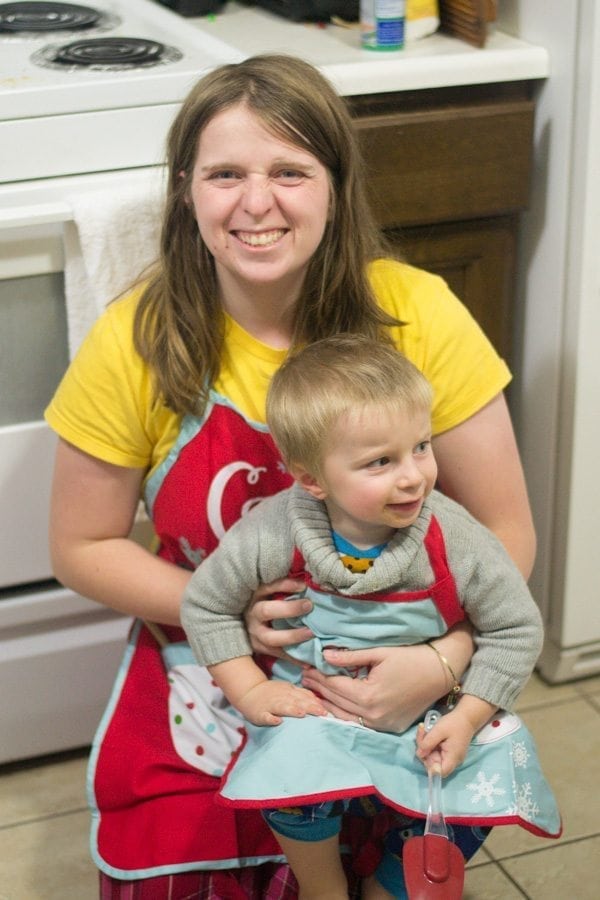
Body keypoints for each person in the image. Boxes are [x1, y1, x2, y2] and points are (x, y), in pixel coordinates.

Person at [45, 54, 537, 898]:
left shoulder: (419, 314)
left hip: (400, 653)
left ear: (337, 187)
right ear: (185, 190)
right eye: (225, 174)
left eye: (289, 172)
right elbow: (81, 545)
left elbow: (506, 532)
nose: (256, 202)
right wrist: (227, 618)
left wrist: (445, 660)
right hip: (203, 670)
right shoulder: (137, 338)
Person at [181, 334, 559, 900]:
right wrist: (251, 692)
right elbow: (205, 603)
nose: (413, 476)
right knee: (290, 771)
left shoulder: (454, 538)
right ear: (311, 479)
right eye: (381, 461)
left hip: (435, 711)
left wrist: (469, 716)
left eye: (422, 447)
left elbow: (517, 628)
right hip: (319, 711)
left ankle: (389, 884)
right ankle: (322, 886)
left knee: (478, 790)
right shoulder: (276, 529)